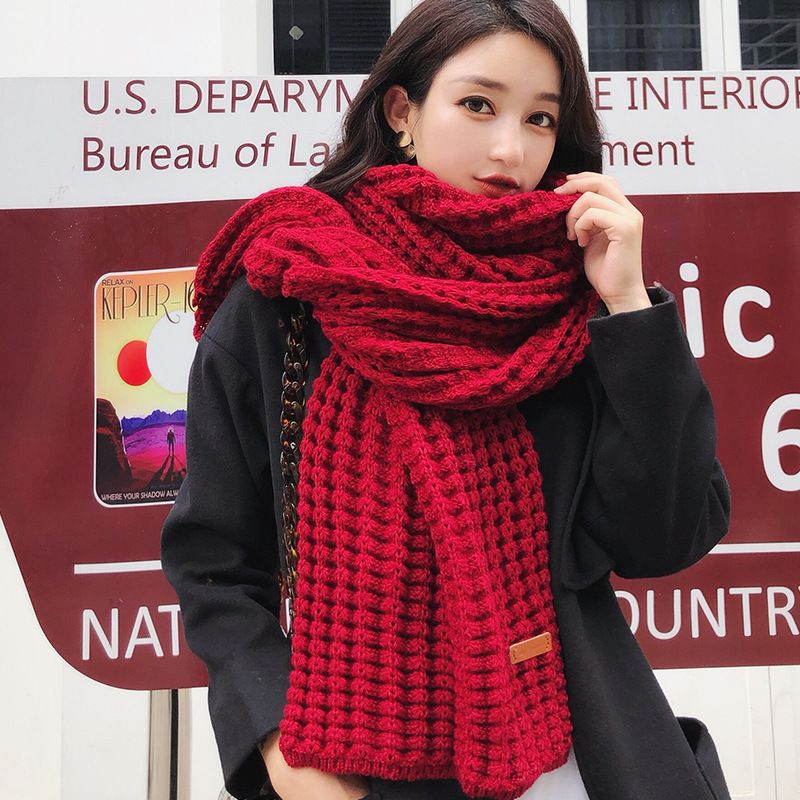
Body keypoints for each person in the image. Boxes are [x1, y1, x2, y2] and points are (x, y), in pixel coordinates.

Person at [160, 1, 732, 799]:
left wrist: (630, 307)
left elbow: (663, 539)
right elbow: (214, 559)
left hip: (583, 761)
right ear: (402, 111)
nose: (511, 149)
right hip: (360, 766)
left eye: (540, 119)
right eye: (478, 104)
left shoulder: (574, 299)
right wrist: (275, 745)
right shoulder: (291, 291)